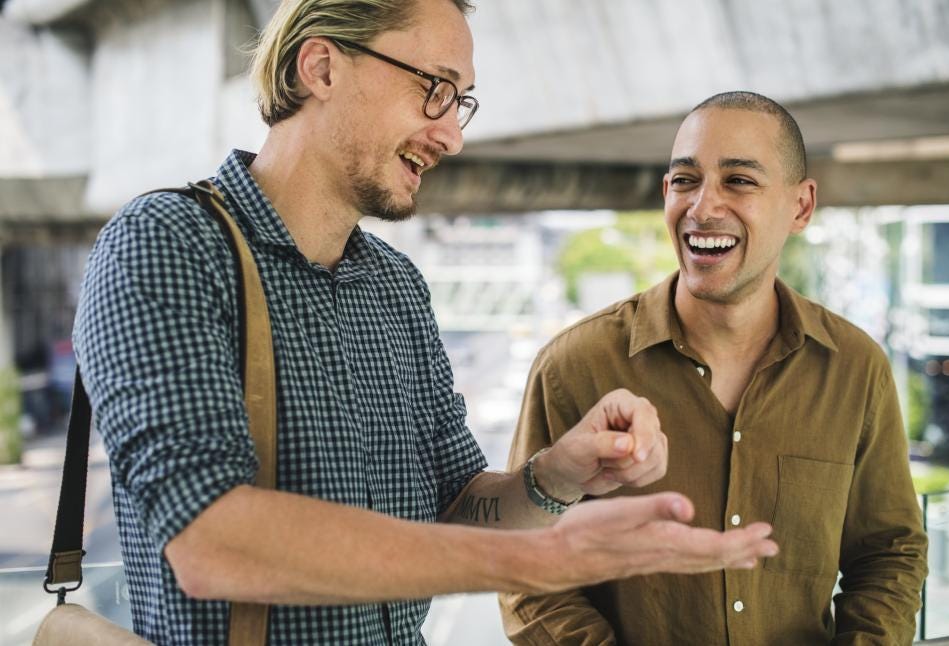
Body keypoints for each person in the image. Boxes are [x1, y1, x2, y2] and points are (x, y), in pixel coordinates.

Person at [72, 3, 779, 644]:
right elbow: (210, 541)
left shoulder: (394, 285)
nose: (451, 135)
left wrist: (559, 475)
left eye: (459, 101)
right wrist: (543, 558)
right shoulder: (166, 244)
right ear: (321, 67)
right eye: (433, 87)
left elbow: (456, 504)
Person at [499, 91, 928, 645]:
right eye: (685, 180)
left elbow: (890, 552)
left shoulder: (856, 369)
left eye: (739, 181)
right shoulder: (573, 366)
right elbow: (525, 569)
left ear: (800, 206)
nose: (703, 207)